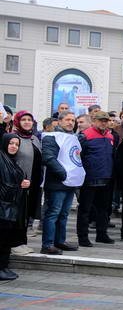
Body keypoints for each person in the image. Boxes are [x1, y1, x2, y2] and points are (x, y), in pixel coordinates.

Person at [40, 111, 85, 254]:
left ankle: (60, 241)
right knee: (53, 213)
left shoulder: (72, 138)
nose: (70, 122)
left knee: (64, 214)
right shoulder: (51, 137)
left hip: (69, 182)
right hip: (57, 182)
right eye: (67, 119)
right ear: (59, 121)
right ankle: (47, 244)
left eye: (73, 120)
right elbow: (48, 158)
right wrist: (64, 174)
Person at [76, 111, 117, 247]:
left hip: (106, 178)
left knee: (104, 209)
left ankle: (102, 234)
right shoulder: (85, 136)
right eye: (101, 120)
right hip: (90, 178)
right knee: (85, 210)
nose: (104, 123)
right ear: (94, 121)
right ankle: (83, 237)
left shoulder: (110, 136)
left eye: (105, 120)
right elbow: (78, 156)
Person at [12, 111, 43, 253]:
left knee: (26, 213)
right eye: (23, 119)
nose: (26, 122)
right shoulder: (13, 138)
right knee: (17, 214)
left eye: (29, 120)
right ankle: (14, 244)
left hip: (33, 183)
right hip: (17, 183)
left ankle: (22, 241)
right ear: (18, 121)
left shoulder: (34, 139)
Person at [0, 134, 29, 281]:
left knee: (6, 239)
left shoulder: (12, 161)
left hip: (9, 207)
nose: (13, 146)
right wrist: (19, 185)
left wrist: (23, 184)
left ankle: (3, 266)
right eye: (10, 143)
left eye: (16, 144)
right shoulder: (1, 159)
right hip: (3, 207)